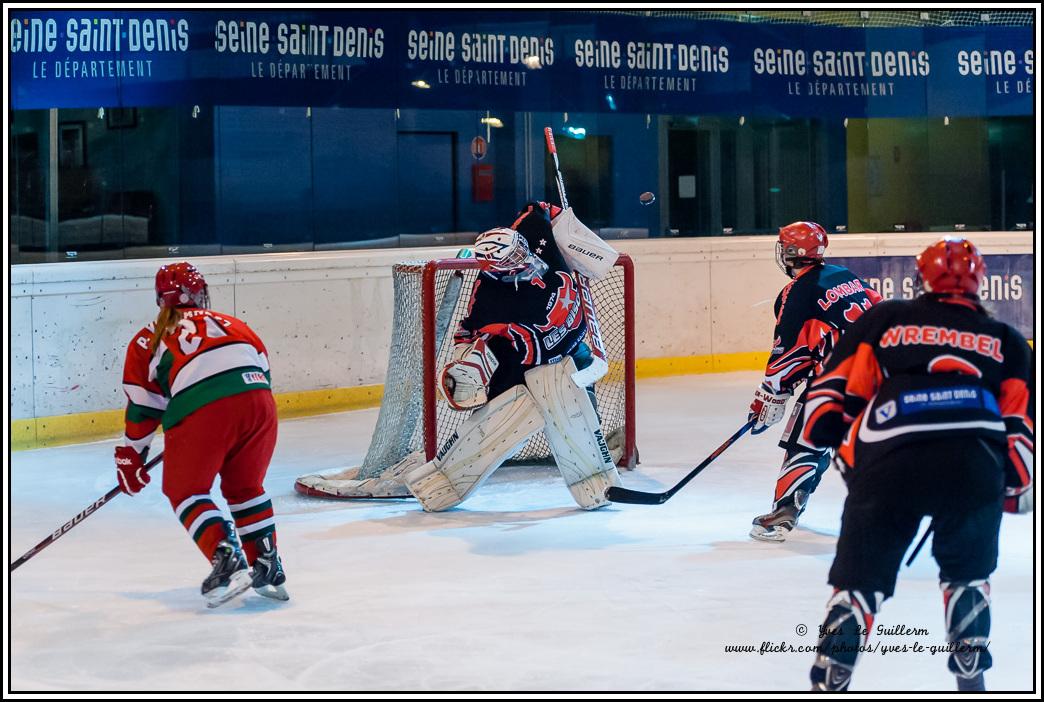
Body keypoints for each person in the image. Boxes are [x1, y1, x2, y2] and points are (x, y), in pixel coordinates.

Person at [798, 237, 1033, 691]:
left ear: (921, 276)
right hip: (975, 461)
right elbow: (1020, 433)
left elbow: (830, 396)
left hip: (891, 455)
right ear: (980, 279)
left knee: (862, 574)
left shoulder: (887, 317)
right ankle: (969, 650)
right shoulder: (1007, 340)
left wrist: (840, 451)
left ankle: (839, 647)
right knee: (967, 571)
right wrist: (1007, 488)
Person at [402, 201, 622, 511]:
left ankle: (594, 477)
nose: (525, 256)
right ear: (496, 268)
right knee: (508, 418)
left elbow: (537, 209)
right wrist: (466, 365)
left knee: (579, 418)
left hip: (574, 349)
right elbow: (467, 335)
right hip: (526, 365)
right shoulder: (489, 302)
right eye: (514, 258)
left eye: (521, 249)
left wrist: (555, 214)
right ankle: (444, 480)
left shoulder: (530, 232)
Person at [116, 262, 288, 608]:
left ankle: (225, 557)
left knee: (184, 490)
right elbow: (261, 370)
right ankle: (267, 564)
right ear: (199, 292)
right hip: (260, 405)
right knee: (245, 488)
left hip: (205, 410)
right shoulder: (235, 324)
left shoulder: (149, 337)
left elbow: (144, 406)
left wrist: (132, 453)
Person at [747, 221, 882, 542]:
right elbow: (880, 307)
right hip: (884, 372)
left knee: (806, 441)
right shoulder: (844, 275)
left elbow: (789, 351)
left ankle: (783, 514)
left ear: (791, 253)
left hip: (840, 379)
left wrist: (771, 396)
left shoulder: (795, 294)